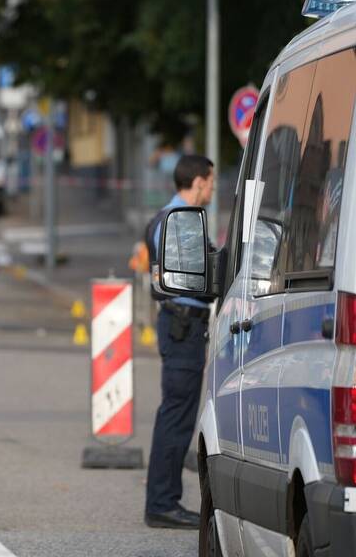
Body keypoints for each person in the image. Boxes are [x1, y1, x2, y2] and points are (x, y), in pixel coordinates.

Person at [143, 154, 215, 529]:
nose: (213, 188)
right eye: (211, 181)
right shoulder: (181, 222)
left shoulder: (169, 217)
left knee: (175, 415)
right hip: (183, 326)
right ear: (199, 181)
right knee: (175, 418)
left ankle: (162, 500)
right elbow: (197, 278)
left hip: (179, 324)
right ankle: (162, 503)